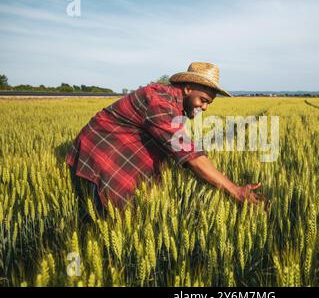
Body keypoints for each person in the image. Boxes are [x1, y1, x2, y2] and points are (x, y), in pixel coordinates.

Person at [66, 62, 265, 210]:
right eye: (203, 100)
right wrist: (235, 191)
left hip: (116, 150)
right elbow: (188, 153)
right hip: (101, 153)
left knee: (137, 207)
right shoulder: (159, 101)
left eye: (208, 104)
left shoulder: (172, 104)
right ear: (187, 89)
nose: (204, 107)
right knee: (110, 216)